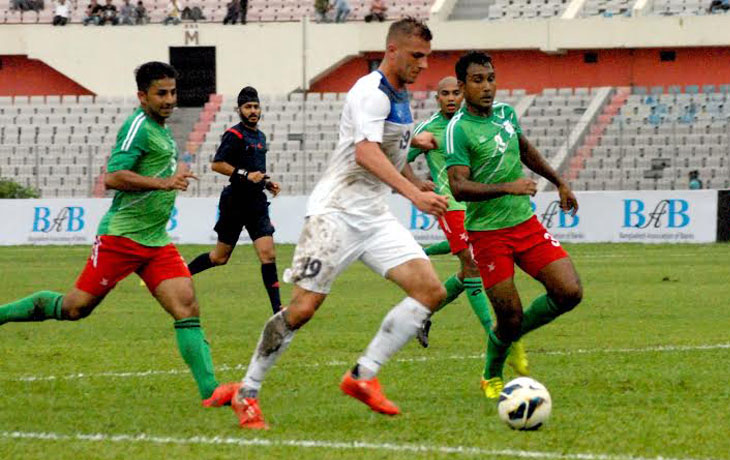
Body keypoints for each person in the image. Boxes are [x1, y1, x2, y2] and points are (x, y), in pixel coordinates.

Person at [203, 18, 449, 429]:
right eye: (416, 56)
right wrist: (415, 196)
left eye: (427, 56)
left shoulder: (401, 95)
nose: (424, 65)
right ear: (392, 51)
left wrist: (412, 177)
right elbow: (366, 154)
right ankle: (247, 391)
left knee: (430, 291)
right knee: (302, 309)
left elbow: (388, 152)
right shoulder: (370, 93)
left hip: (373, 214)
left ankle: (362, 376)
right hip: (335, 214)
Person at [0, 62, 235, 408]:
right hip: (121, 237)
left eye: (173, 92)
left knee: (186, 307)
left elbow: (153, 169)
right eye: (161, 93)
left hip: (155, 240)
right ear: (142, 96)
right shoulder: (137, 126)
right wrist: (164, 182)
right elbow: (113, 176)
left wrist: (174, 172)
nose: (170, 99)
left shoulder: (162, 129)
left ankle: (210, 391)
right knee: (76, 308)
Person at [445, 51, 583, 399]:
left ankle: (514, 334)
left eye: (491, 78)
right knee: (509, 317)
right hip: (489, 235)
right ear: (462, 86)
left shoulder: (506, 114)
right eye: (478, 80)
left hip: (525, 224)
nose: (487, 86)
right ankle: (490, 372)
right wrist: (509, 186)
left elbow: (524, 150)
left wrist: (559, 181)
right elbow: (459, 187)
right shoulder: (457, 130)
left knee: (569, 292)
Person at [405, 76, 528, 388]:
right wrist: (416, 184)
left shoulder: (469, 126)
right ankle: (499, 337)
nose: (450, 98)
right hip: (451, 206)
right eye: (444, 93)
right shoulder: (428, 129)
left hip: (477, 207)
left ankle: (421, 315)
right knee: (473, 267)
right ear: (436, 97)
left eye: (455, 92)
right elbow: (397, 158)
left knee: (466, 273)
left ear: (463, 94)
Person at [187, 87, 283, 316]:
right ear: (239, 109)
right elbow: (217, 164)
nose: (252, 111)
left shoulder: (260, 137)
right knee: (219, 258)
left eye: (256, 106)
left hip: (256, 203)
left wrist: (266, 183)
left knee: (268, 254)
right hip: (234, 203)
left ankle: (278, 310)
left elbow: (255, 171)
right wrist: (245, 175)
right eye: (248, 107)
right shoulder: (234, 135)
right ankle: (181, 273)